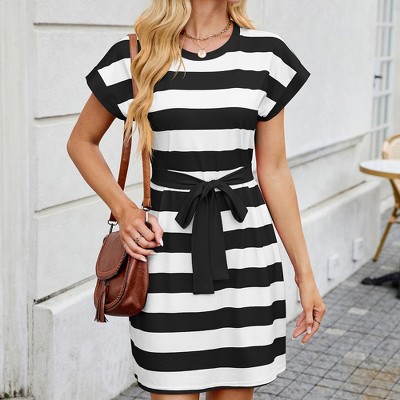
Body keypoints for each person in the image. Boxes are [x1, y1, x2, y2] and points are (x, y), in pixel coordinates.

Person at [67, 0, 326, 399]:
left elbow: (274, 170)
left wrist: (305, 276)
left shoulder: (266, 54)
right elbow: (81, 142)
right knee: (169, 384)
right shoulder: (136, 53)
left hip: (246, 259)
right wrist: (125, 209)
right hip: (166, 257)